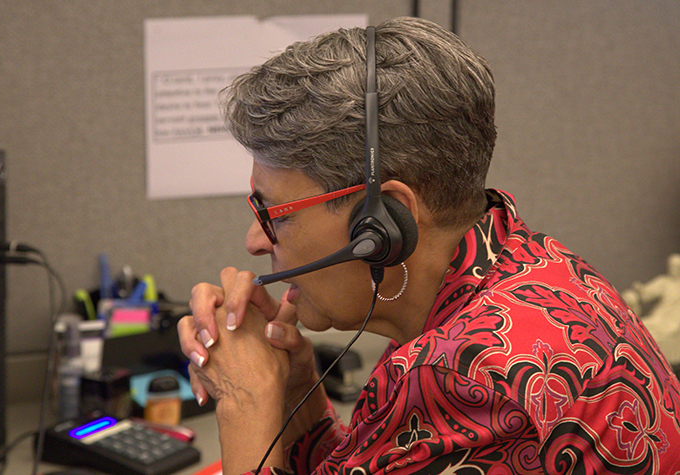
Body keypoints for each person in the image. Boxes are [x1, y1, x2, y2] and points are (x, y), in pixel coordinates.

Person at [178, 17, 680, 474]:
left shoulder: (468, 379)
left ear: (380, 223)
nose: (252, 242)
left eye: (273, 215)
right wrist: (294, 387)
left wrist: (245, 402)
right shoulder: (536, 266)